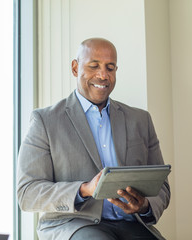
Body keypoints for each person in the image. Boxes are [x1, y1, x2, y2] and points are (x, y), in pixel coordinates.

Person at [16, 38, 170, 240]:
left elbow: (162, 187)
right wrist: (84, 189)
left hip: (133, 224)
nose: (103, 75)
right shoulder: (45, 121)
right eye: (94, 66)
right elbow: (28, 192)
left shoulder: (140, 120)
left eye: (110, 68)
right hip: (75, 224)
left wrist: (143, 205)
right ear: (74, 67)